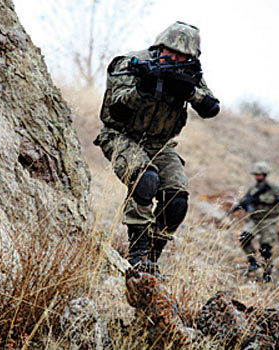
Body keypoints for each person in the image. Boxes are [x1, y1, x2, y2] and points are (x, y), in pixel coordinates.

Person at [93, 21, 220, 273]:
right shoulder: (130, 63)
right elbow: (115, 111)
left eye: (181, 55)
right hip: (121, 136)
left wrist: (189, 91)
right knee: (145, 179)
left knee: (177, 199)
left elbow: (211, 108)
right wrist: (143, 88)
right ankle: (137, 252)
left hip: (160, 144)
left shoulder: (190, 72)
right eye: (170, 52)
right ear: (159, 47)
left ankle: (152, 256)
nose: (174, 58)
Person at [230, 161, 279, 282]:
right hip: (255, 219)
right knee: (244, 238)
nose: (258, 176)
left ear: (265, 174)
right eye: (256, 174)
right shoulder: (253, 189)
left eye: (260, 174)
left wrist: (262, 199)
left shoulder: (274, 187)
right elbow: (247, 200)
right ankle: (252, 261)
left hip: (269, 219)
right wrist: (240, 206)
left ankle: (267, 273)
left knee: (265, 248)